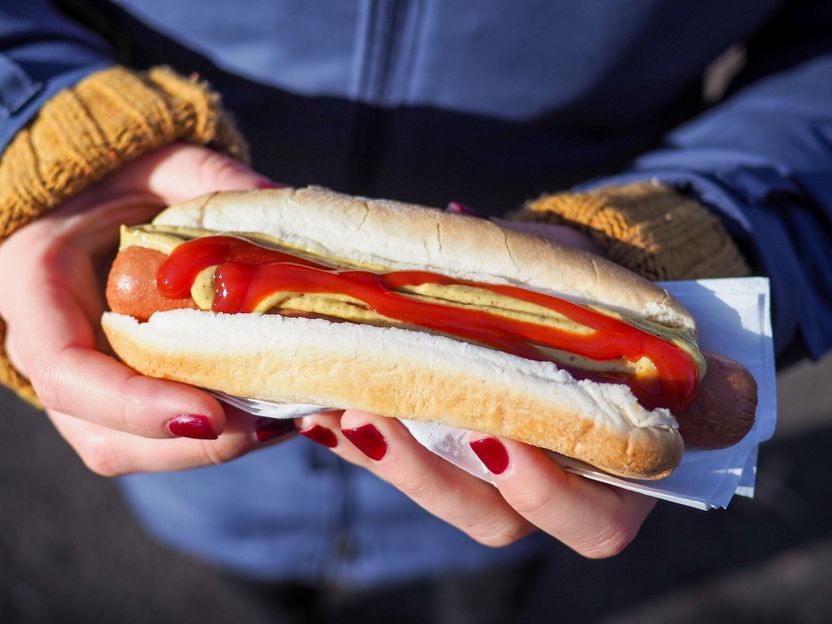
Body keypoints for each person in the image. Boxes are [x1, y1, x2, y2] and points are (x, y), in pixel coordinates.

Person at [0, 1, 830, 620]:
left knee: (491, 592)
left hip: (529, 480)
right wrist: (39, 131)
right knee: (263, 593)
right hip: (211, 461)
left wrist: (710, 231)